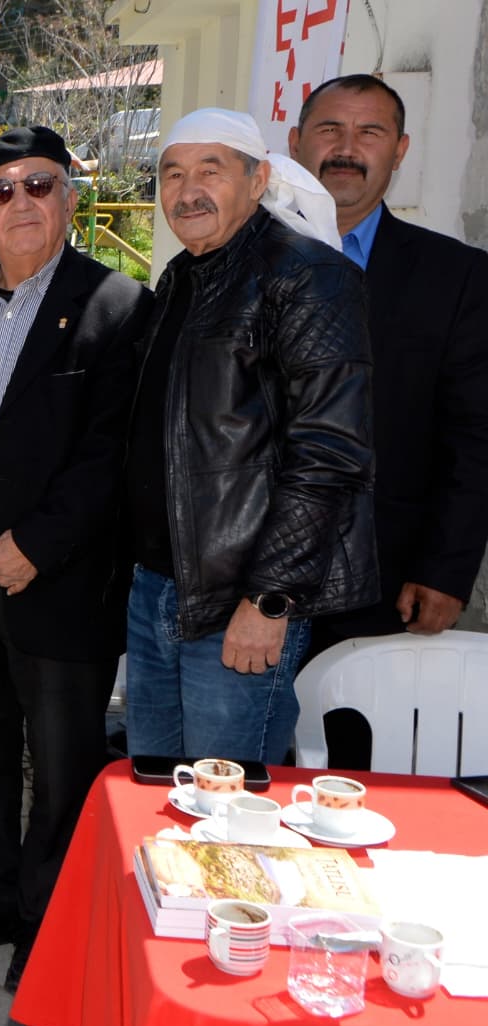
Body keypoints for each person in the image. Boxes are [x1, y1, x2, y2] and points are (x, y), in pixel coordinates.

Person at [0, 127, 154, 990]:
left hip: (60, 575)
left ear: (71, 199)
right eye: (0, 190)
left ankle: (49, 924)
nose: (22, 202)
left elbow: (114, 451)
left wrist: (38, 544)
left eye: (40, 184)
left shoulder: (118, 304)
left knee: (62, 762)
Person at [123, 108, 377, 765]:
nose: (188, 191)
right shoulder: (183, 276)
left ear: (258, 180)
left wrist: (269, 600)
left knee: (224, 800)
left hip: (239, 601)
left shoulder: (308, 277)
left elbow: (329, 454)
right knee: (154, 790)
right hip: (158, 588)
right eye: (172, 174)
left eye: (210, 171)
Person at [288, 75, 488, 670]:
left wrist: (446, 569)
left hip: (385, 577)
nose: (346, 148)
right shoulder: (237, 261)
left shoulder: (456, 277)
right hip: (239, 579)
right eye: (329, 129)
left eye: (370, 133)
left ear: (399, 151)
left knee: (352, 730)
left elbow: (474, 437)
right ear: (296, 142)